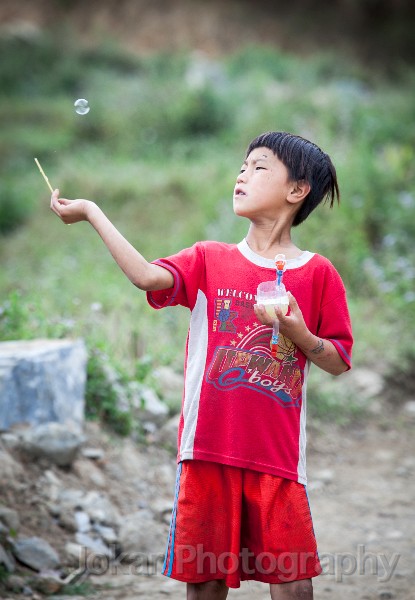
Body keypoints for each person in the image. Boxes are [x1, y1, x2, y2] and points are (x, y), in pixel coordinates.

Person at [50, 131, 353, 599]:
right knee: (206, 584)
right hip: (207, 451)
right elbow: (147, 277)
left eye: (259, 167)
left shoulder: (318, 274)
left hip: (278, 460)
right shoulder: (210, 260)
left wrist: (300, 335)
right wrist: (92, 212)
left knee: (293, 583)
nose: (242, 174)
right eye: (242, 166)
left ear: (297, 191)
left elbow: (337, 360)